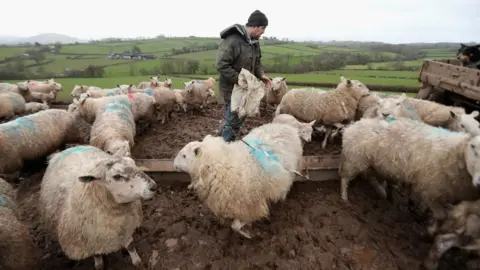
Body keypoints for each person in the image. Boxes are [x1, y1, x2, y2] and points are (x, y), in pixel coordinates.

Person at [216, 10, 271, 142]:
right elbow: (222, 65)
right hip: (232, 89)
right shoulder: (233, 41)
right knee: (234, 121)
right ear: (255, 26)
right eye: (263, 28)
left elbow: (257, 62)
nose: (263, 32)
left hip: (245, 89)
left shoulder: (254, 42)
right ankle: (224, 149)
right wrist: (240, 80)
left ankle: (219, 139)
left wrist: (261, 75)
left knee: (238, 119)